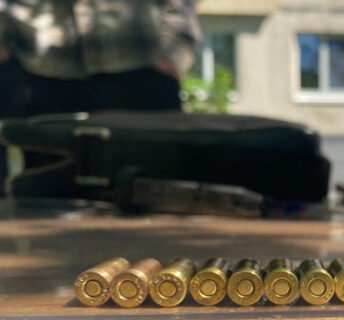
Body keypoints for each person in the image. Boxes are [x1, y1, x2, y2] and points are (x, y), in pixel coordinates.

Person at [0, 0, 201, 195]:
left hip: (141, 70)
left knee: (154, 195)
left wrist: (175, 50)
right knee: (46, 199)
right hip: (39, 74)